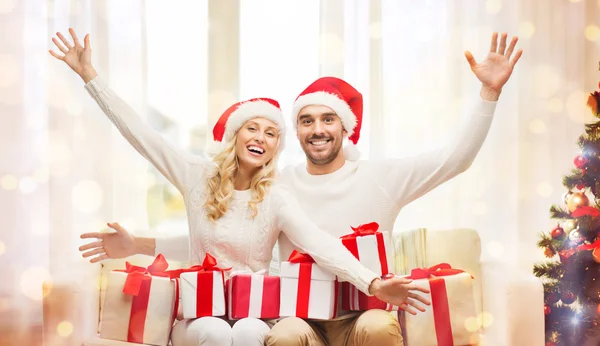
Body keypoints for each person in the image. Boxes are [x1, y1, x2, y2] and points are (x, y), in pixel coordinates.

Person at [49, 28, 430, 346]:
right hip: (201, 313)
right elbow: (142, 136)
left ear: (275, 148)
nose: (261, 138)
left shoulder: (277, 197)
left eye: (271, 134)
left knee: (249, 332)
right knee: (214, 331)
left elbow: (320, 244)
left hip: (254, 314)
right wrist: (91, 78)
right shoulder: (196, 176)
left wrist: (374, 283)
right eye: (253, 128)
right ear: (235, 135)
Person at [263, 31, 523, 346]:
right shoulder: (279, 183)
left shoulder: (379, 178)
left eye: (328, 119)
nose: (317, 130)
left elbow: (456, 159)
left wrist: (489, 92)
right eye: (307, 121)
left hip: (363, 317)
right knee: (285, 335)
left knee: (378, 326)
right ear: (297, 131)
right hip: (302, 321)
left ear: (345, 128)